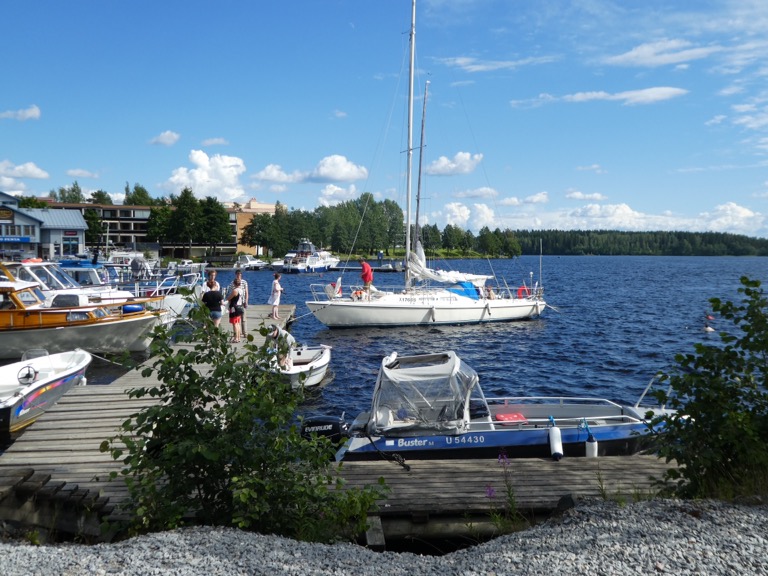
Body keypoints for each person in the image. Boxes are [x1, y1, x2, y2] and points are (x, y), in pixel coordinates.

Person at [226, 269, 249, 335]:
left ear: (241, 275)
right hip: (235, 302)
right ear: (236, 274)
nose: (238, 275)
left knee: (243, 318)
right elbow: (230, 292)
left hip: (242, 301)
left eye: (240, 274)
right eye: (237, 274)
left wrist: (246, 301)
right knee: (236, 319)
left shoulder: (244, 282)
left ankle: (244, 332)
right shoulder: (232, 283)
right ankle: (237, 333)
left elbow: (246, 292)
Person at [225, 276, 245, 343]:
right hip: (239, 307)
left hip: (234, 308)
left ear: (234, 283)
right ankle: (238, 337)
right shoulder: (241, 290)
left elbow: (229, 298)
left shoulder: (235, 291)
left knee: (235, 323)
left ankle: (236, 338)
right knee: (238, 323)